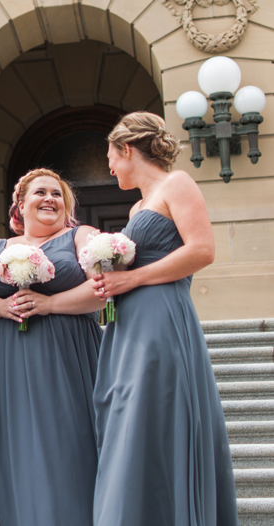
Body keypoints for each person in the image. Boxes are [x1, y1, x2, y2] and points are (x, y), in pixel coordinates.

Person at [91, 112, 239, 526]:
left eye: (112, 160)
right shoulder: (138, 205)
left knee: (157, 414)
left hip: (161, 318)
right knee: (132, 422)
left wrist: (131, 277)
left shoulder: (177, 183)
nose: (111, 169)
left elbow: (202, 250)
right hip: (130, 323)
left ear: (126, 149)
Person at [0, 168, 104, 526]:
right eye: (41, 192)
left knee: (69, 445)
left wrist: (49, 304)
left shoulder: (80, 237)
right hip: (6, 357)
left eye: (58, 195)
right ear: (20, 204)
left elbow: (102, 289)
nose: (50, 199)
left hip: (68, 354)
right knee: (18, 448)